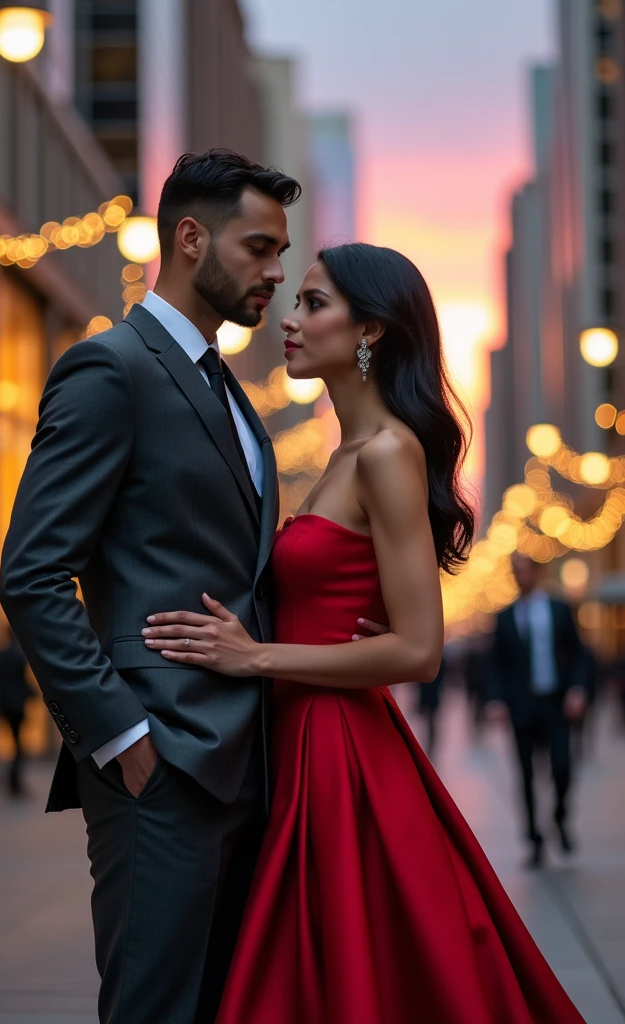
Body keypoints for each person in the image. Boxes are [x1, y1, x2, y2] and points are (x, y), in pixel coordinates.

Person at [144, 244, 586, 1023]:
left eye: (315, 303)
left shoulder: (387, 453)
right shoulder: (344, 454)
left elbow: (420, 649)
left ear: (371, 331)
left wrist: (256, 657)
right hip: (302, 734)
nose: (291, 318)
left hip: (336, 746)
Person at [0, 150, 361, 1024]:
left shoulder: (233, 393)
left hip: (251, 768)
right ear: (191, 239)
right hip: (158, 767)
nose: (277, 272)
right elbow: (32, 573)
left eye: (281, 252)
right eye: (259, 248)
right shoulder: (110, 370)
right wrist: (122, 737)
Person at [487, 553, 591, 868]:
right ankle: (534, 839)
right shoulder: (504, 617)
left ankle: (559, 816)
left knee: (562, 766)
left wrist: (577, 688)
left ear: (537, 571)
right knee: (526, 775)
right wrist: (496, 700)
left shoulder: (559, 610)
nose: (520, 576)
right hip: (522, 707)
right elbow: (496, 665)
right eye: (515, 571)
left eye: (524, 570)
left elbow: (580, 654)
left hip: (556, 703)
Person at [0, 628, 35, 797]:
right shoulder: (18, 656)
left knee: (16, 744)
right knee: (19, 746)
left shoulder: (0, 657)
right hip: (17, 706)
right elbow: (22, 681)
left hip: (4, 705)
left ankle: (13, 780)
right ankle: (14, 781)